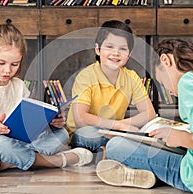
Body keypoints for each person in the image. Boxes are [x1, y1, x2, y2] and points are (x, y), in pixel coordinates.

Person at [96, 39, 193, 194]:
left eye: (161, 82)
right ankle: (147, 174)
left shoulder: (189, 81)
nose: (169, 91)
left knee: (116, 146)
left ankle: (149, 175)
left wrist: (176, 136)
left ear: (165, 60)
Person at [0, 23, 93, 177]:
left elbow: (29, 126)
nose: (8, 70)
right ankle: (57, 161)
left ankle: (2, 164)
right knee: (0, 143)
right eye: (1, 63)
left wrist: (50, 122)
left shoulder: (19, 85)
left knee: (60, 134)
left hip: (20, 143)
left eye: (14, 64)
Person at [66, 20, 156, 160]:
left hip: (115, 131)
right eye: (109, 46)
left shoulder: (131, 77)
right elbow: (81, 119)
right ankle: (120, 152)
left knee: (142, 134)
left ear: (129, 53)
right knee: (87, 135)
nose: (116, 53)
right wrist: (118, 126)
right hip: (84, 133)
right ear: (98, 49)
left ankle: (110, 153)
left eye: (122, 49)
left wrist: (121, 126)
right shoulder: (86, 76)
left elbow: (149, 114)